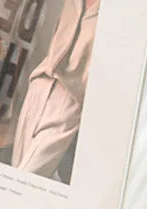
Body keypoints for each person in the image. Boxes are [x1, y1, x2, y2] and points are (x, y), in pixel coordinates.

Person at [12, 0, 100, 182]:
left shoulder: (119, 12)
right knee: (15, 175)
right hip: (40, 86)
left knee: (25, 178)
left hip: (70, 100)